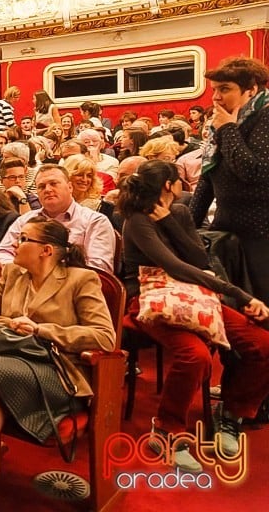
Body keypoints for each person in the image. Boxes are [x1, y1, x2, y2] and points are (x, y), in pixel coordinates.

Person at [0, 216, 114, 512]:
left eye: (24, 239)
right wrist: (12, 324)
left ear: (46, 250)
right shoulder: (13, 273)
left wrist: (41, 329)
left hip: (53, 373)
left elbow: (104, 337)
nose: (16, 242)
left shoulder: (81, 280)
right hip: (5, 364)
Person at [119, 159, 269, 468]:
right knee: (195, 355)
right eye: (178, 180)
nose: (183, 184)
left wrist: (170, 223)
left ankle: (231, 413)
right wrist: (241, 295)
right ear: (168, 185)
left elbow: (200, 257)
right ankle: (166, 430)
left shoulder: (180, 212)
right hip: (152, 298)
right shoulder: (136, 220)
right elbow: (175, 266)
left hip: (193, 295)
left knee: (261, 343)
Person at [189, 57, 269, 298]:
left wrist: (227, 129)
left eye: (225, 89)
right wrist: (189, 228)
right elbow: (208, 179)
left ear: (251, 89)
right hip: (226, 231)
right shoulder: (222, 124)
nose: (215, 97)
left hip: (261, 235)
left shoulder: (264, 117)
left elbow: (253, 172)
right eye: (214, 90)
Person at [0, 164, 115, 273]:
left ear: (70, 187)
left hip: (72, 291)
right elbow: (2, 253)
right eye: (41, 186)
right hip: (25, 285)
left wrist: (46, 275)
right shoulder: (25, 220)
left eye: (53, 183)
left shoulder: (95, 222)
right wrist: (27, 272)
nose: (48, 189)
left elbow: (99, 269)